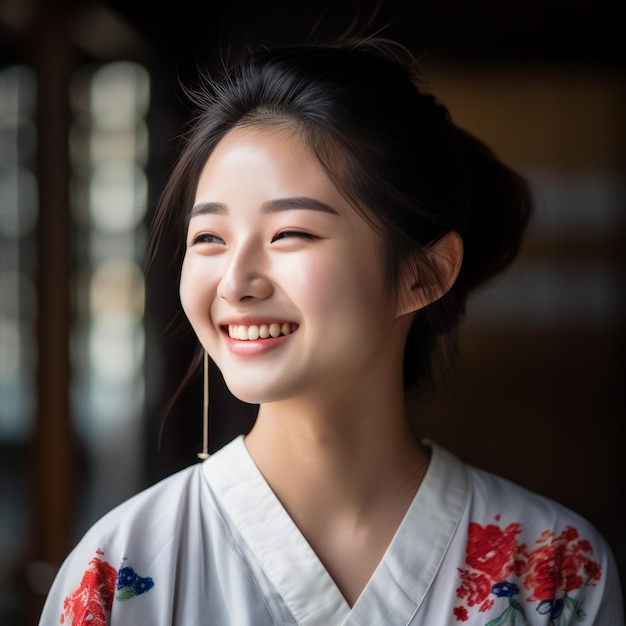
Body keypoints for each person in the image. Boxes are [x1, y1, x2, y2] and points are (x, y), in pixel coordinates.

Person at [39, 39, 624, 625]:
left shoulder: (556, 569)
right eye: (209, 238)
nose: (234, 282)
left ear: (424, 273)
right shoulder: (117, 570)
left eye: (290, 233)